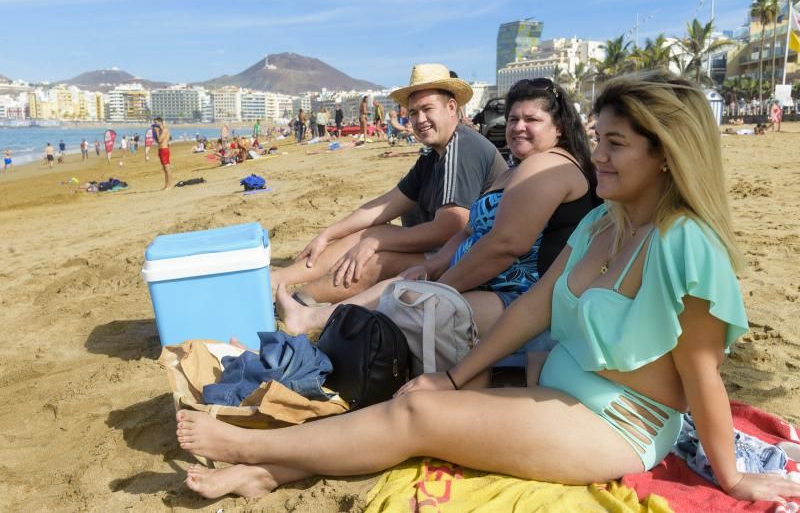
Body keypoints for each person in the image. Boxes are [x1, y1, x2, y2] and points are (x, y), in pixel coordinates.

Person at [176, 70, 800, 504]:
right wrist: (454, 375)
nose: (599, 157)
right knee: (428, 402)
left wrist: (734, 476)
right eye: (599, 139)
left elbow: (703, 376)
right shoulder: (604, 224)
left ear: (666, 154)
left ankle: (246, 450)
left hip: (617, 424)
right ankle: (266, 473)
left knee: (418, 413)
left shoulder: (685, 246)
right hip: (559, 394)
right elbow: (534, 305)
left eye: (615, 144)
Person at [278, 77, 598, 339]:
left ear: (559, 128)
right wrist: (330, 235)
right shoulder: (512, 168)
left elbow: (495, 243)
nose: (517, 127)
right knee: (386, 256)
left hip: (514, 292)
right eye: (513, 119)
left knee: (395, 279)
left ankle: (305, 307)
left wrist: (440, 285)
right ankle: (306, 311)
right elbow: (463, 229)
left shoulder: (539, 165)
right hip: (469, 271)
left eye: (532, 120)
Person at [270, 63, 508, 304]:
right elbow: (386, 205)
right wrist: (327, 235)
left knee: (377, 259)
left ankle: (299, 303)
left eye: (427, 109)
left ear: (451, 107)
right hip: (449, 251)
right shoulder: (434, 154)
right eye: (413, 112)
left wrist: (376, 243)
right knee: (367, 234)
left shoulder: (463, 147)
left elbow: (451, 225)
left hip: (475, 263)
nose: (420, 120)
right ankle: (278, 279)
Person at [153, 117, 172, 190]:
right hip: (161, 149)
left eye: (156, 122)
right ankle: (166, 185)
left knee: (167, 168)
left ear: (160, 122)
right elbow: (158, 141)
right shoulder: (161, 130)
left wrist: (157, 132)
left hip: (164, 150)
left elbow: (160, 140)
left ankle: (169, 185)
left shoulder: (164, 130)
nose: (155, 124)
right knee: (164, 169)